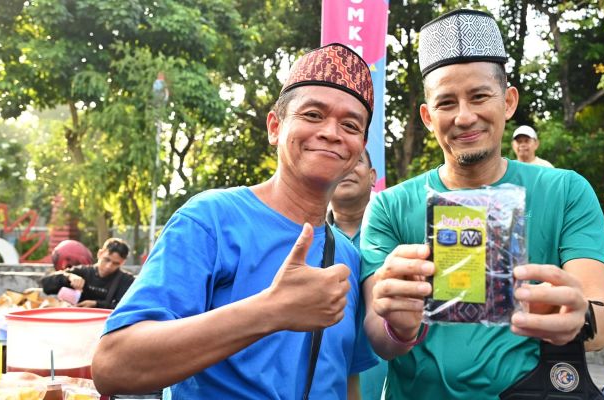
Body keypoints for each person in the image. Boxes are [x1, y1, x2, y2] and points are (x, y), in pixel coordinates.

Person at [91, 43, 377, 398]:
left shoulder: (348, 257)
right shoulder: (211, 220)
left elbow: (346, 379)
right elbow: (113, 365)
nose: (332, 132)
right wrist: (271, 310)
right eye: (313, 115)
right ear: (275, 127)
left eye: (350, 124)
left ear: (360, 146)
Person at [359, 9, 604, 399]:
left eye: (479, 96)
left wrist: (577, 318)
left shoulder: (565, 191)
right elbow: (380, 338)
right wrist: (399, 325)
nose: (464, 117)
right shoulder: (389, 207)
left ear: (508, 101)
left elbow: (601, 317)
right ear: (427, 116)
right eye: (446, 103)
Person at [328, 149, 387, 399]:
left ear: (372, 176)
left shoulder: (397, 238)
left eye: (357, 161)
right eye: (339, 160)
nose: (347, 167)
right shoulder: (306, 240)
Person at [41, 238, 133, 309]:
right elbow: (45, 285)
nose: (109, 266)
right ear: (100, 254)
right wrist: (68, 277)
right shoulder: (82, 272)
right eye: (107, 260)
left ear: (123, 262)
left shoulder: (126, 281)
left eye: (115, 263)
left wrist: (96, 304)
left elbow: (128, 307)